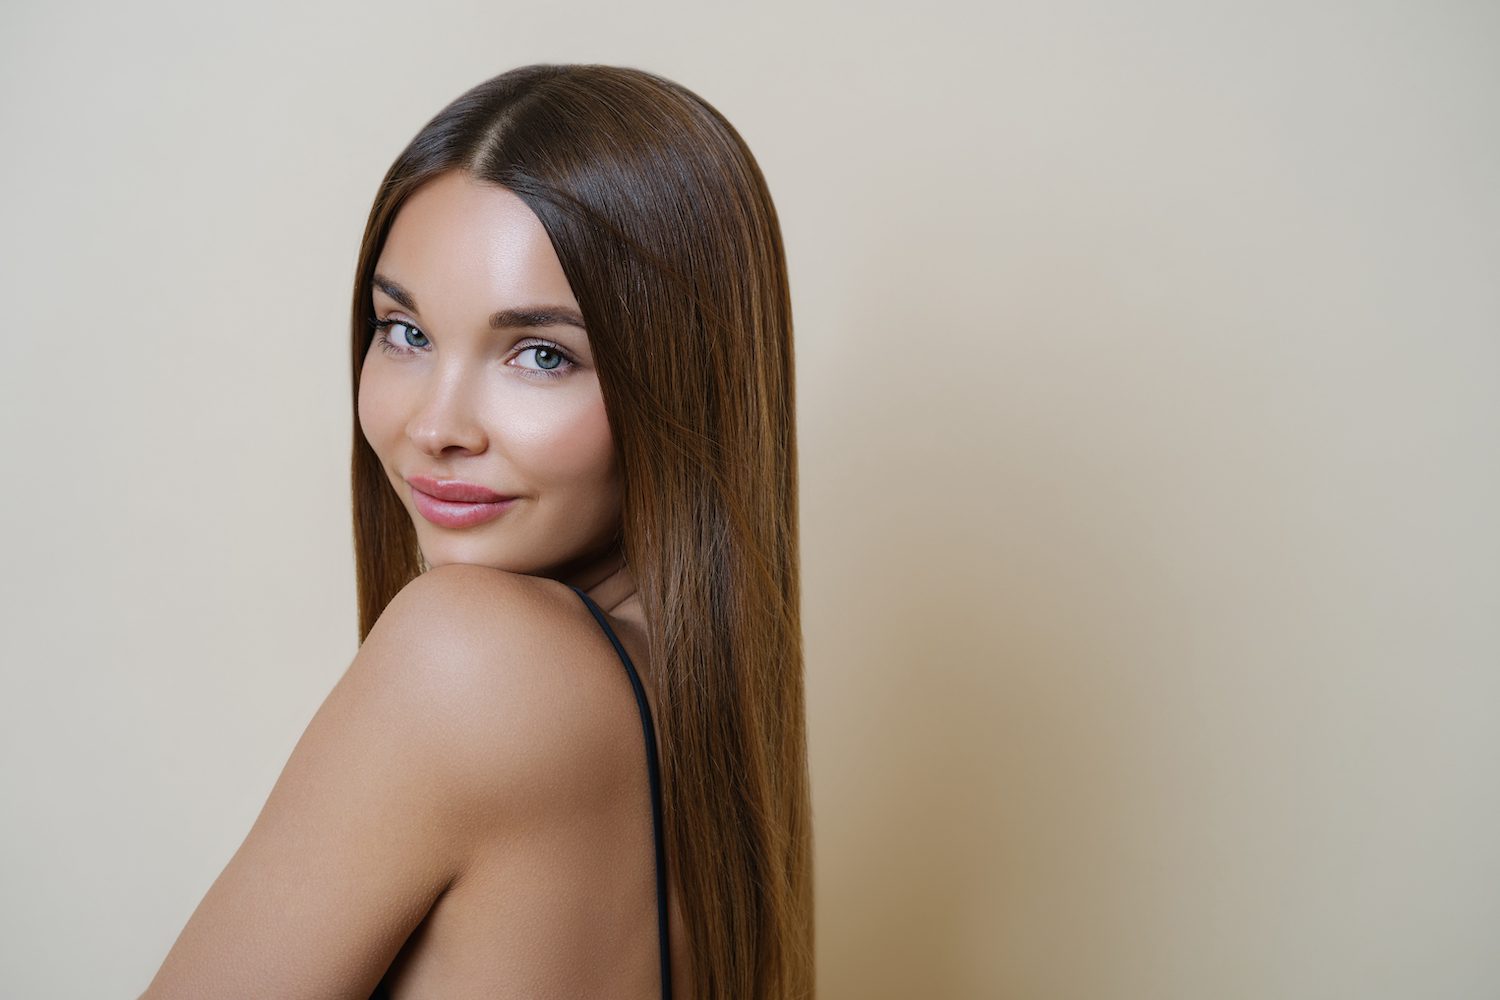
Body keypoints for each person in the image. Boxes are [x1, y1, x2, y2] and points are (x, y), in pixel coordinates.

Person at [139, 64, 814, 999]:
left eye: (541, 354)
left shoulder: (470, 655)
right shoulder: (694, 715)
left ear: (683, 379)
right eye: (404, 331)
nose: (436, 424)